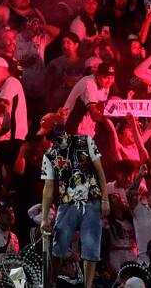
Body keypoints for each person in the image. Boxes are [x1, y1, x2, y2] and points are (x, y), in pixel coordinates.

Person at [39, 111, 110, 288]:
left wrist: (105, 199)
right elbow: (48, 187)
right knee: (58, 247)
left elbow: (100, 171)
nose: (48, 137)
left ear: (57, 128)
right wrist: (44, 217)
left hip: (91, 200)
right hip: (67, 204)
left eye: (49, 132)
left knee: (91, 249)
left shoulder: (85, 141)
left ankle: (87, 285)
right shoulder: (49, 155)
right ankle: (52, 283)